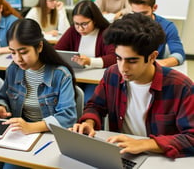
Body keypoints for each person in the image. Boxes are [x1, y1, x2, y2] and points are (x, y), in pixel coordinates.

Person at [70, 13, 194, 159]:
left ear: (153, 57)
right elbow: (96, 106)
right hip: (123, 154)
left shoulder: (181, 87)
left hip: (160, 157)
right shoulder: (112, 74)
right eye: (118, 58)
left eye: (132, 61)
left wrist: (145, 144)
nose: (123, 68)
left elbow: (191, 138)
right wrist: (89, 122)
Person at [0, 18, 77, 169]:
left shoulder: (60, 75)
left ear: (39, 46)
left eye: (23, 52)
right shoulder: (13, 69)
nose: (18, 59)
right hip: (19, 134)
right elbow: (3, 97)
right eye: (12, 53)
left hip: (48, 137)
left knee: (10, 167)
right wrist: (1, 107)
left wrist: (31, 127)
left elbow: (68, 117)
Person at [55, 0, 116, 103]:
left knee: (88, 100)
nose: (80, 28)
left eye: (84, 24)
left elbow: (114, 57)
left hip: (97, 80)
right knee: (64, 99)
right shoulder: (72, 31)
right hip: (76, 76)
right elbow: (57, 50)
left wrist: (89, 61)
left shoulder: (106, 32)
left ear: (94, 20)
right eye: (76, 24)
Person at [128, 0, 185, 67]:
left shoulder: (167, 26)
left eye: (144, 13)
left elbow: (179, 54)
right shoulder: (127, 24)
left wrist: (157, 65)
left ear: (154, 8)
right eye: (135, 13)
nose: (140, 18)